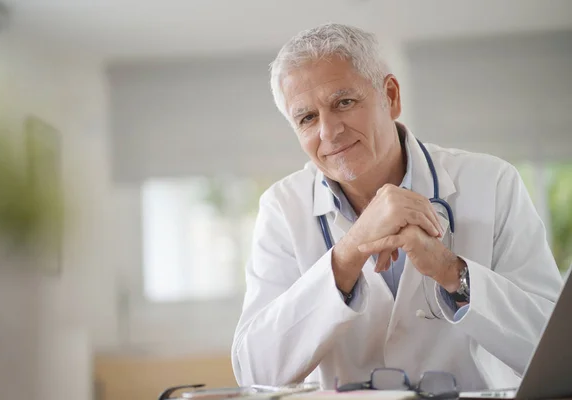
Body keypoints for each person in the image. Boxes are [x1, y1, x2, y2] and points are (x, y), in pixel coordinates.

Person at [231, 23, 563, 392]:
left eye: (344, 102)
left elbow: (555, 352)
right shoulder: (282, 207)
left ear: (390, 96)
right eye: (307, 117)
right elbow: (255, 374)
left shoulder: (492, 182)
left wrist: (452, 272)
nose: (328, 131)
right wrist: (349, 252)